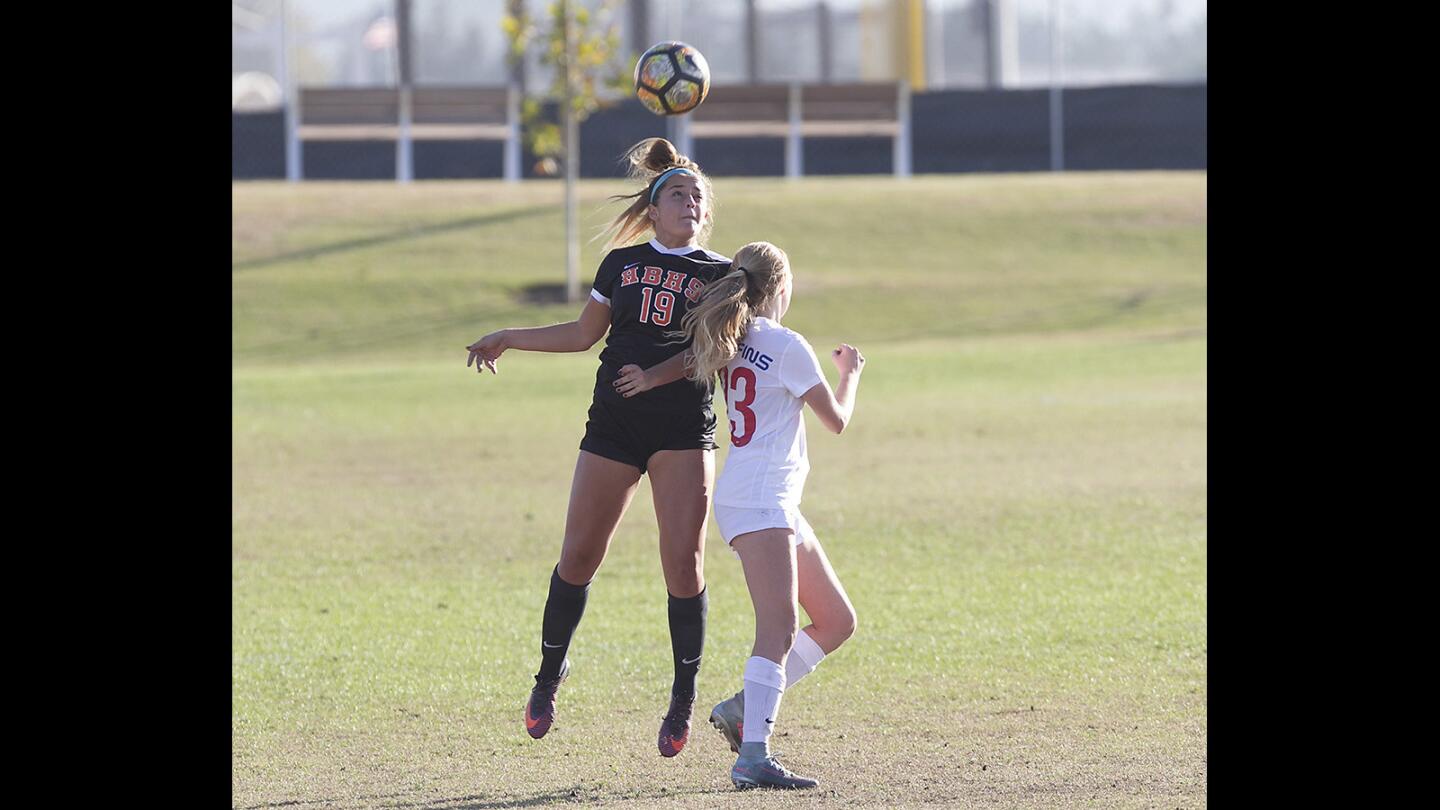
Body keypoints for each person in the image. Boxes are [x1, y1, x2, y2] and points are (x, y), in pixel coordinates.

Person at [466, 138, 731, 757]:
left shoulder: (721, 275)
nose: (690, 203)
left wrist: (655, 376)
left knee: (684, 564)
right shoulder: (622, 263)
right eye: (678, 194)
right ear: (654, 206)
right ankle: (547, 678)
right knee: (578, 556)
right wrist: (510, 336)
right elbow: (584, 334)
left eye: (698, 197)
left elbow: (714, 353)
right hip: (614, 425)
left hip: (681, 428)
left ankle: (682, 697)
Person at [614, 241, 863, 790]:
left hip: (763, 497)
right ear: (780, 287)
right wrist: (850, 372)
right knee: (777, 628)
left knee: (838, 620)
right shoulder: (786, 343)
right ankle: (753, 755)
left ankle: (741, 709)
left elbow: (689, 363)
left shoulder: (732, 336)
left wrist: (651, 378)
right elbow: (837, 421)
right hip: (761, 499)